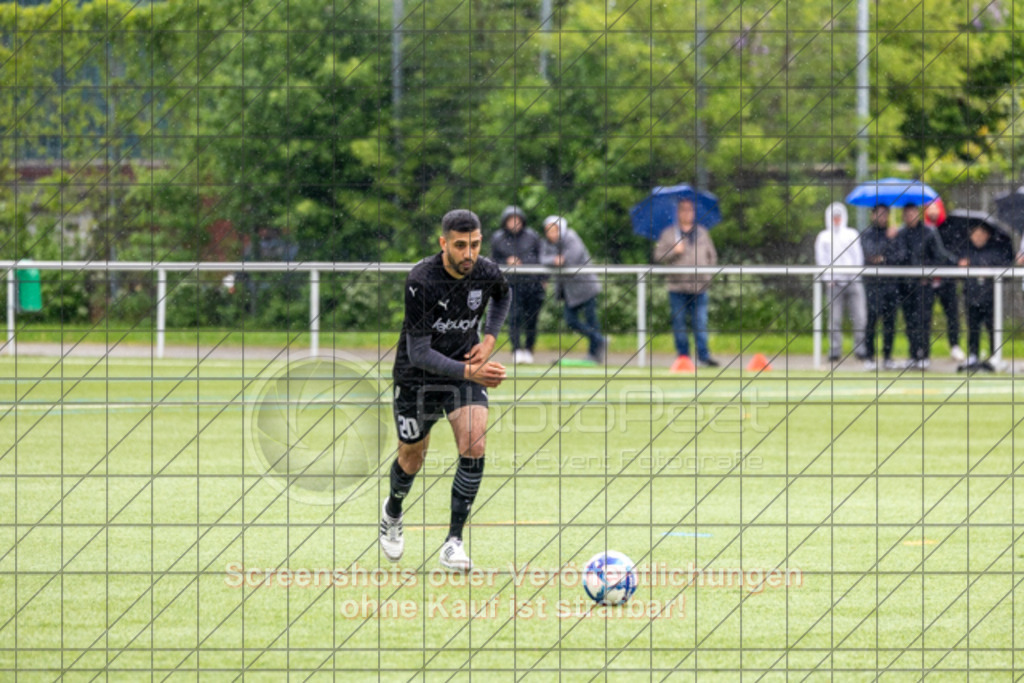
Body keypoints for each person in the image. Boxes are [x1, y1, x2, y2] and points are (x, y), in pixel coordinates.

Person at [379, 209, 511, 571]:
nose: (469, 254)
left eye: (475, 245)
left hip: (462, 375)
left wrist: (488, 339)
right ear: (443, 243)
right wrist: (473, 371)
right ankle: (393, 511)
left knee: (474, 444)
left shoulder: (485, 270)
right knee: (412, 458)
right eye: (460, 246)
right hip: (416, 377)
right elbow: (419, 353)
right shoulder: (421, 280)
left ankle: (454, 542)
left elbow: (503, 295)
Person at [653, 198, 719, 368]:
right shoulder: (669, 234)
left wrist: (708, 275)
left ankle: (704, 356)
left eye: (690, 209)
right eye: (683, 209)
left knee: (700, 323)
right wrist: (674, 251)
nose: (687, 213)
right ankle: (683, 358)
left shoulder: (702, 232)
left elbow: (712, 256)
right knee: (679, 324)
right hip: (677, 287)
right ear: (677, 212)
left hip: (700, 287)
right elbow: (658, 256)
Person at [893, 203, 955, 370]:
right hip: (906, 284)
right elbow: (898, 257)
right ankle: (913, 355)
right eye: (907, 214)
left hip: (923, 285)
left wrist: (928, 273)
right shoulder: (900, 234)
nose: (910, 216)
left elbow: (938, 256)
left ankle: (924, 355)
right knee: (909, 321)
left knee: (923, 320)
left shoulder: (929, 232)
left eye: (912, 213)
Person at [540, 215, 605, 363]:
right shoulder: (547, 244)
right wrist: (555, 260)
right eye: (548, 231)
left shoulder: (571, 238)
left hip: (586, 286)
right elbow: (543, 259)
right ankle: (598, 339)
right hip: (569, 291)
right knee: (571, 320)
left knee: (591, 320)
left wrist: (558, 260)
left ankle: (594, 354)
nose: (551, 234)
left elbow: (571, 258)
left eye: (554, 230)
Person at [491, 206, 545, 364]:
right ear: (505, 222)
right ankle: (516, 350)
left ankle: (529, 349)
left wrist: (542, 277)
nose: (514, 223)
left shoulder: (532, 236)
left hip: (532, 283)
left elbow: (541, 258)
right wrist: (506, 262)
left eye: (517, 220)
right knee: (514, 317)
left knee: (532, 319)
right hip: (510, 284)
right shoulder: (498, 238)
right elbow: (493, 261)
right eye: (511, 220)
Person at [815, 202, 867, 365]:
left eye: (838, 216)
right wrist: (828, 278)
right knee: (834, 319)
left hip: (853, 281)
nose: (836, 220)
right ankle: (835, 350)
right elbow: (821, 259)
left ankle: (860, 349)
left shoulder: (851, 234)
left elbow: (858, 256)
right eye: (833, 217)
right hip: (834, 283)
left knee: (859, 317)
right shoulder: (823, 237)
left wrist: (855, 275)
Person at [958, 222, 1012, 371]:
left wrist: (989, 271)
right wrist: (961, 267)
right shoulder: (965, 252)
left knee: (992, 327)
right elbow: (958, 275)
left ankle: (995, 355)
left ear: (987, 235)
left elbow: (1006, 272)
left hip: (990, 298)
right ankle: (973, 354)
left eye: (981, 234)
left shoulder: (995, 252)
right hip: (971, 296)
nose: (978, 237)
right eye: (975, 234)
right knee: (973, 328)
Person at [860, 205, 901, 370]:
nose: (883, 217)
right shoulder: (867, 234)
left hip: (891, 285)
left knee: (890, 322)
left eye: (885, 214)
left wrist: (890, 243)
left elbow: (899, 256)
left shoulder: (894, 234)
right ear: (873, 215)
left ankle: (887, 357)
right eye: (879, 214)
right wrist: (886, 246)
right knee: (871, 321)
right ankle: (869, 357)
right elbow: (871, 254)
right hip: (873, 285)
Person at [926, 200, 965, 362]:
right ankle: (922, 350)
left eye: (935, 207)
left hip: (947, 279)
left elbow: (950, 252)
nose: (932, 211)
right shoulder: (924, 230)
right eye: (929, 208)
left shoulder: (949, 228)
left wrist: (954, 263)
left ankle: (955, 345)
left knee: (952, 314)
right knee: (924, 316)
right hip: (928, 280)